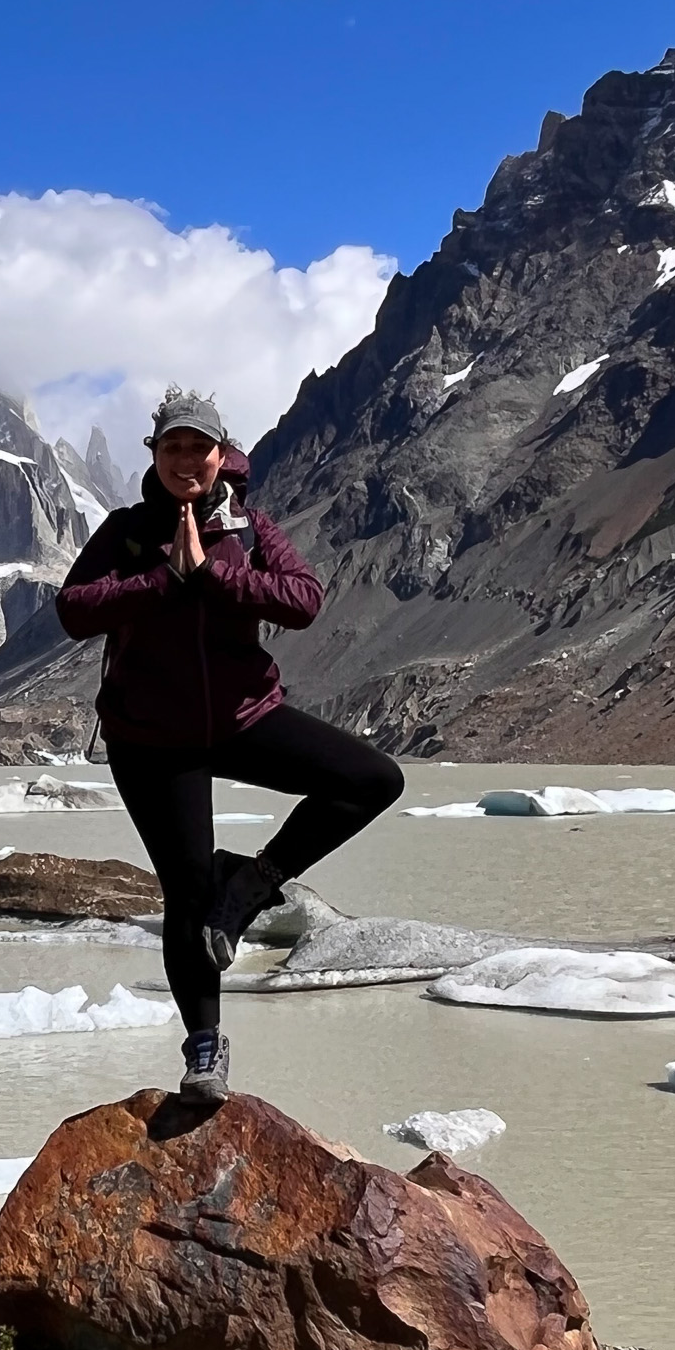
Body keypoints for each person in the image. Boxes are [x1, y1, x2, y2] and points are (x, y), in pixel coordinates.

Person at [55, 387, 404, 1103]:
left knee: (372, 778)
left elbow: (303, 599)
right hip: (152, 740)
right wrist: (162, 579)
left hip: (246, 718)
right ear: (154, 455)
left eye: (198, 446)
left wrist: (214, 573)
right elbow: (73, 609)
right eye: (172, 446)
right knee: (186, 892)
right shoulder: (125, 530)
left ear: (221, 456)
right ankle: (205, 1049)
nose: (186, 458)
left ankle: (250, 881)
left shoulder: (247, 529)